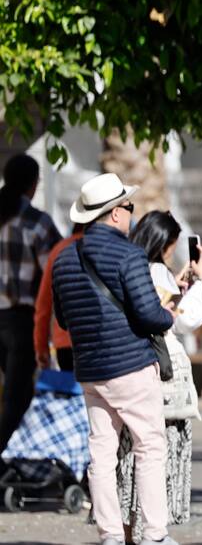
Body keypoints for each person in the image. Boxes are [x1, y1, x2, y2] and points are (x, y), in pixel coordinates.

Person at [51, 173, 177, 545]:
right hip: (130, 366)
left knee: (101, 453)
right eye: (129, 207)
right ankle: (154, 534)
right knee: (150, 446)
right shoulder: (128, 254)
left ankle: (109, 534)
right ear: (116, 214)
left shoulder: (63, 259)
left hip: (89, 369)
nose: (131, 214)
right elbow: (149, 314)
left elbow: (62, 318)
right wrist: (169, 314)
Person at [123, 211, 202, 543]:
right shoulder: (156, 269)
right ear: (164, 242)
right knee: (160, 450)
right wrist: (201, 280)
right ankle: (153, 531)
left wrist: (178, 283)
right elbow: (180, 319)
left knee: (129, 452)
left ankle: (129, 529)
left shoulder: (134, 267)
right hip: (164, 372)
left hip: (130, 365)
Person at [0, 154, 62, 456]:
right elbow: (57, 272)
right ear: (33, 185)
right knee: (17, 397)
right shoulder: (37, 223)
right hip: (21, 322)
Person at [35, 224, 84, 372]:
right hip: (101, 342)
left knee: (70, 393)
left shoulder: (59, 250)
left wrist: (41, 347)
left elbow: (43, 305)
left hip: (65, 342)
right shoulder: (107, 248)